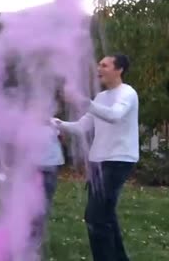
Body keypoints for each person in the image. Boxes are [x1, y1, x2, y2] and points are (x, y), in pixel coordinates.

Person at [53, 54, 138, 261]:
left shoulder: (127, 93)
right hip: (98, 161)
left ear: (119, 70)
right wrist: (57, 123)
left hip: (118, 160)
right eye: (99, 65)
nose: (98, 68)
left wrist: (82, 101)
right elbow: (83, 127)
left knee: (95, 216)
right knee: (105, 215)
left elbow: (114, 116)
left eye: (104, 65)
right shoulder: (101, 98)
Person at [31, 122, 65, 258]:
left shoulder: (55, 124)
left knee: (45, 203)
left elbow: (63, 140)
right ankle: (29, 236)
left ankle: (37, 238)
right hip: (35, 166)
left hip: (52, 166)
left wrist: (61, 132)